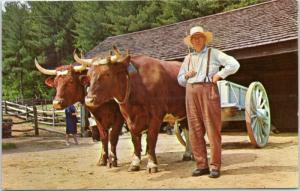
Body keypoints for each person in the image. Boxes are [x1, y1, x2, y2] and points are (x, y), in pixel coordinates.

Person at [177, 26, 240, 178]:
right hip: (191, 92)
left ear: (204, 39)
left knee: (212, 129)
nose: (197, 40)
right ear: (191, 42)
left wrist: (220, 74)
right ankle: (201, 165)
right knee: (194, 129)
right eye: (194, 38)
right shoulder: (188, 58)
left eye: (199, 37)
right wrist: (186, 76)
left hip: (208, 89)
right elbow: (179, 80)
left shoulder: (214, 53)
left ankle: (215, 166)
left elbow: (234, 64)